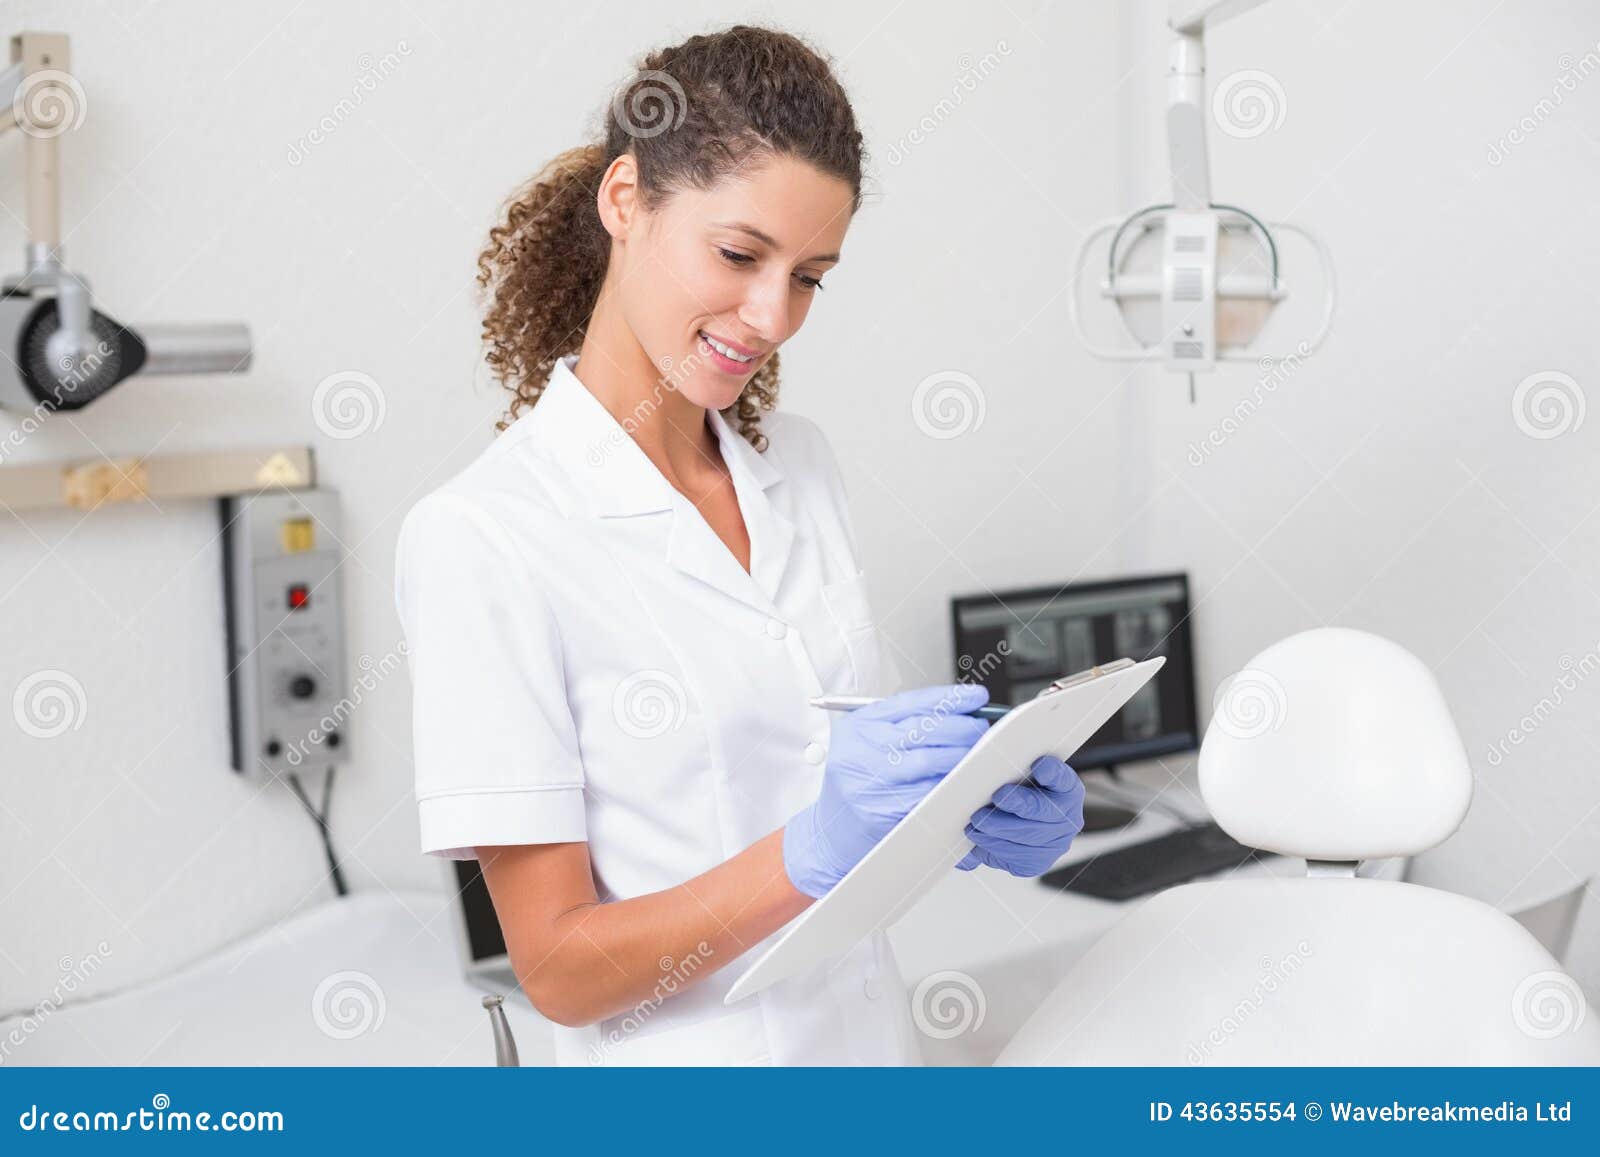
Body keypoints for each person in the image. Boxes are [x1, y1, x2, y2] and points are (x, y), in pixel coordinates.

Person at [394, 24, 1085, 1066]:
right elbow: (559, 971)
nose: (772, 317)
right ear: (625, 200)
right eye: (738, 254)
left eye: (809, 276)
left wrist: (965, 810)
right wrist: (809, 851)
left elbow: (823, 796)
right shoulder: (484, 534)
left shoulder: (799, 468)